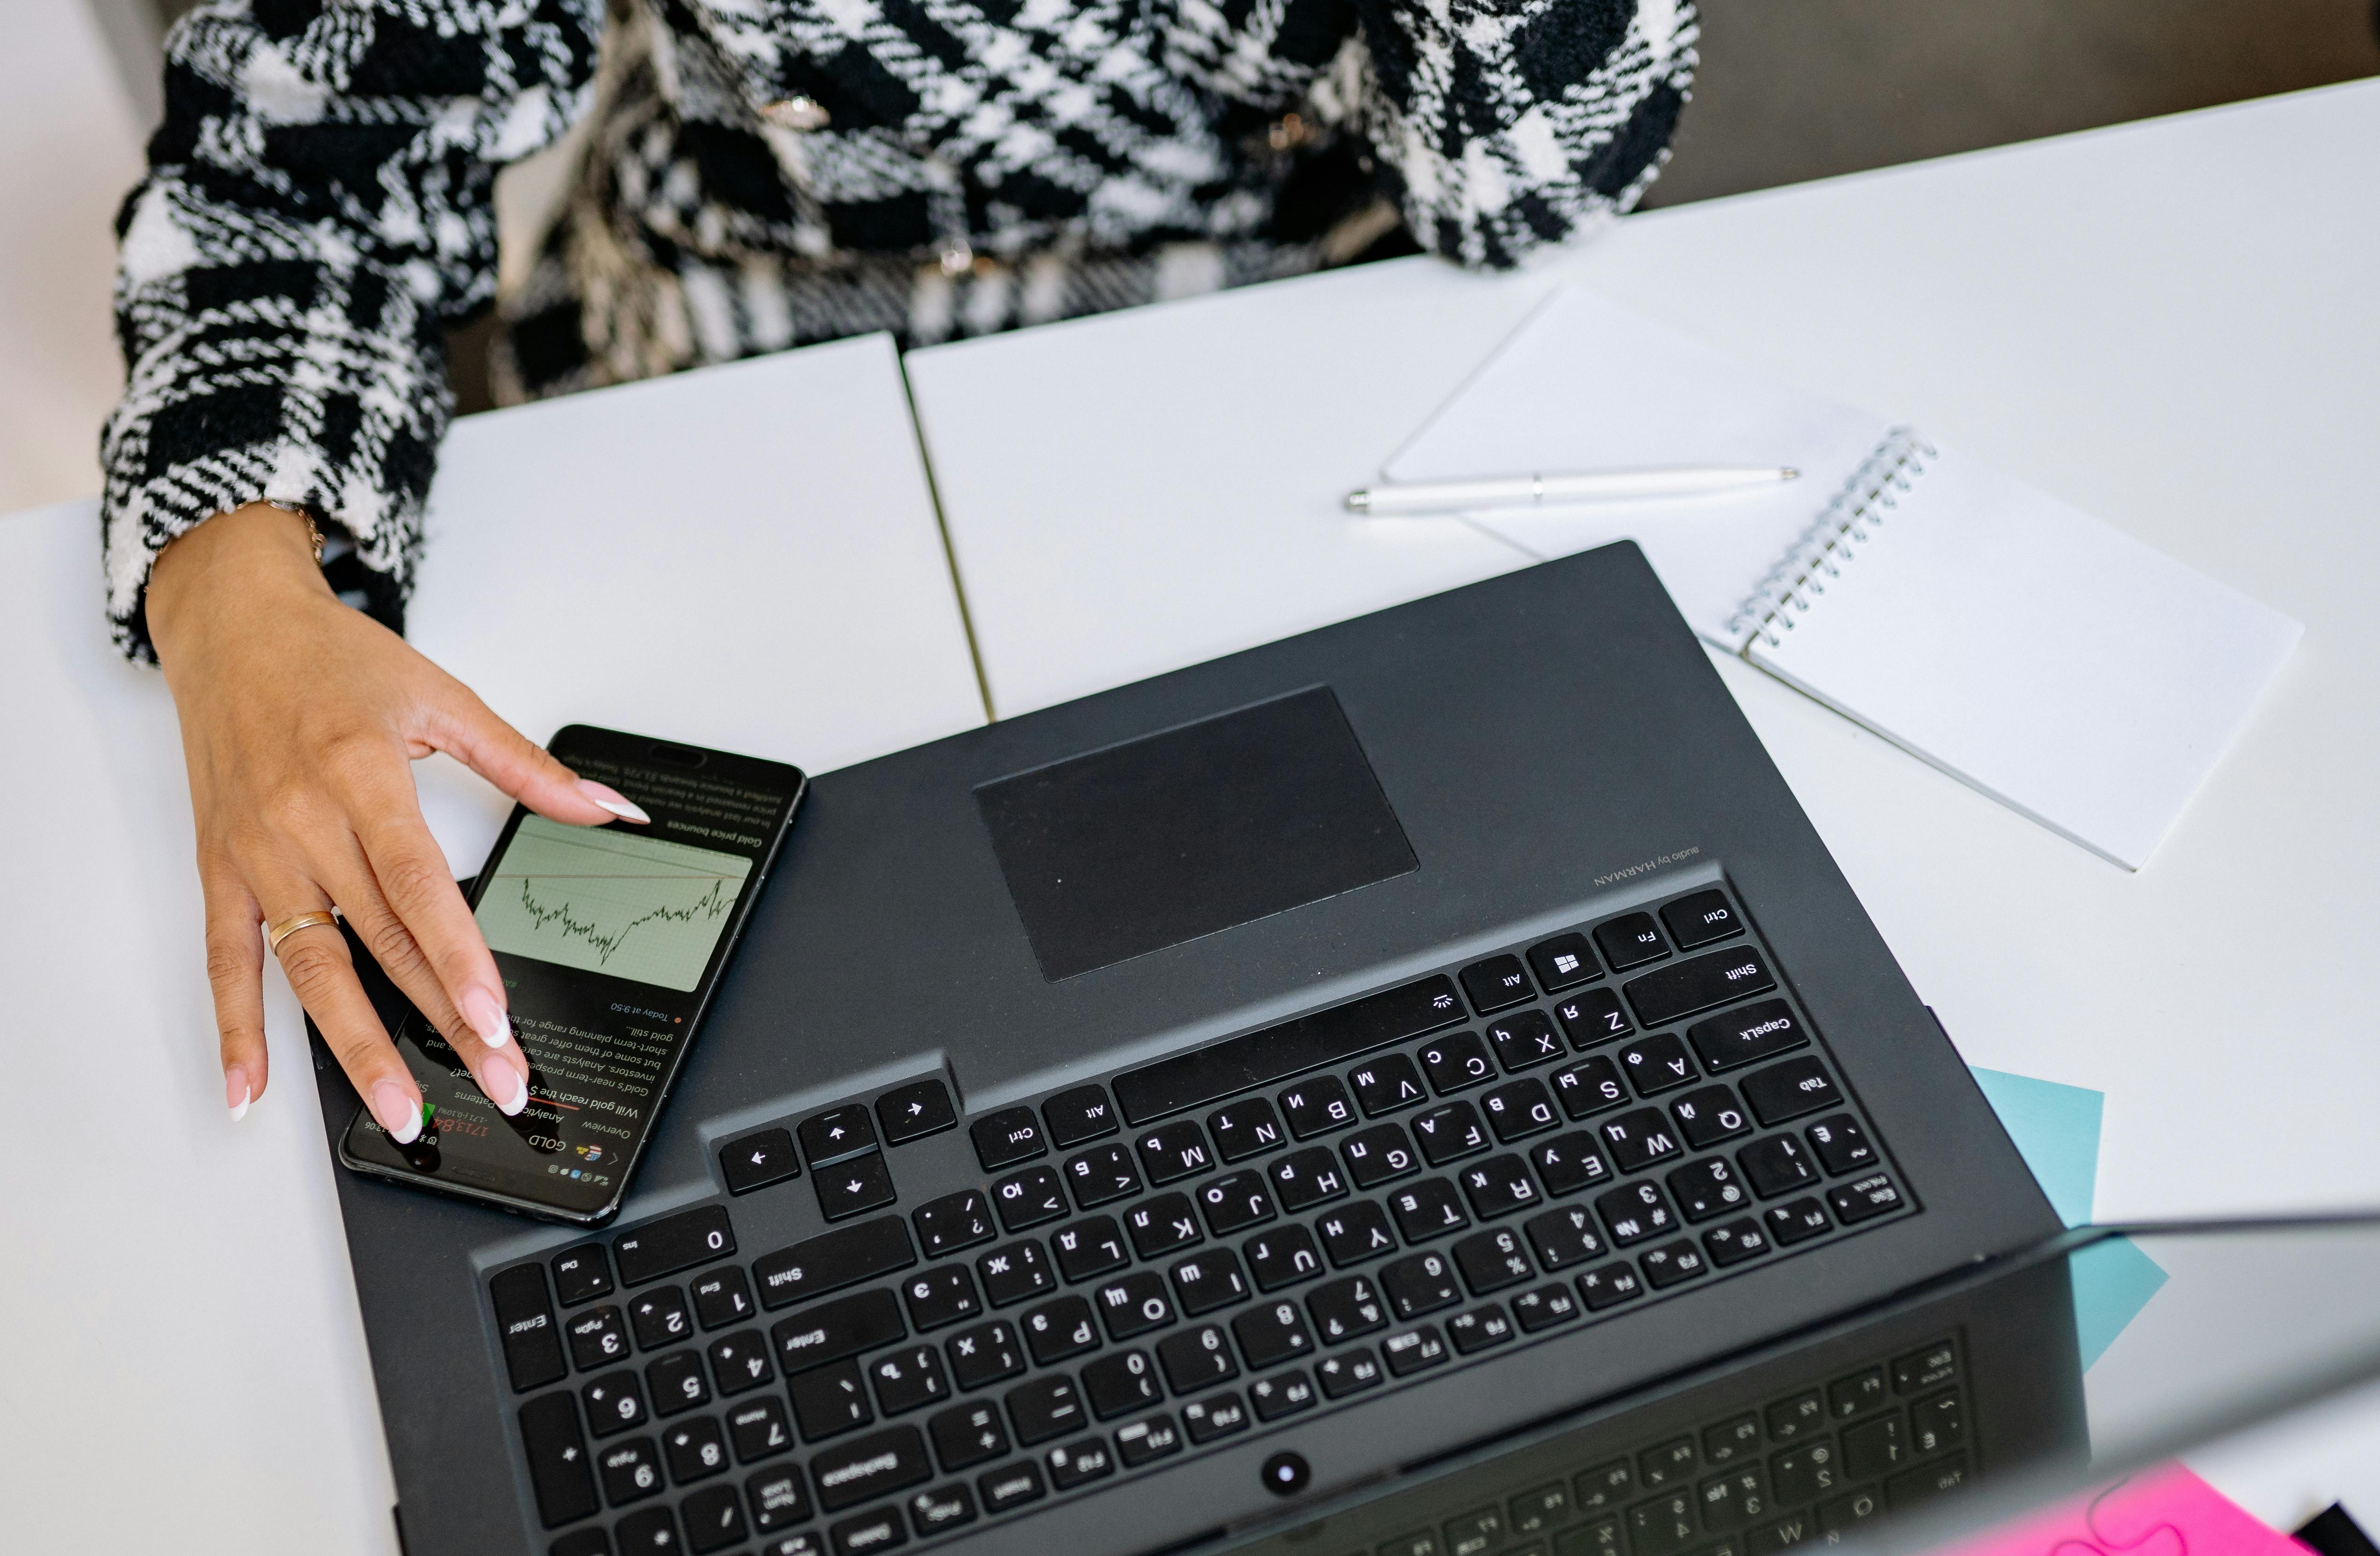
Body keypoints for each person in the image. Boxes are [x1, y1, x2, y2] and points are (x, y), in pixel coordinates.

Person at [112, 0, 1699, 1139]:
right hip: (727, 385)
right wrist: (232, 581)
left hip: (1272, 385)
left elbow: (1532, 190)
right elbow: (306, 159)